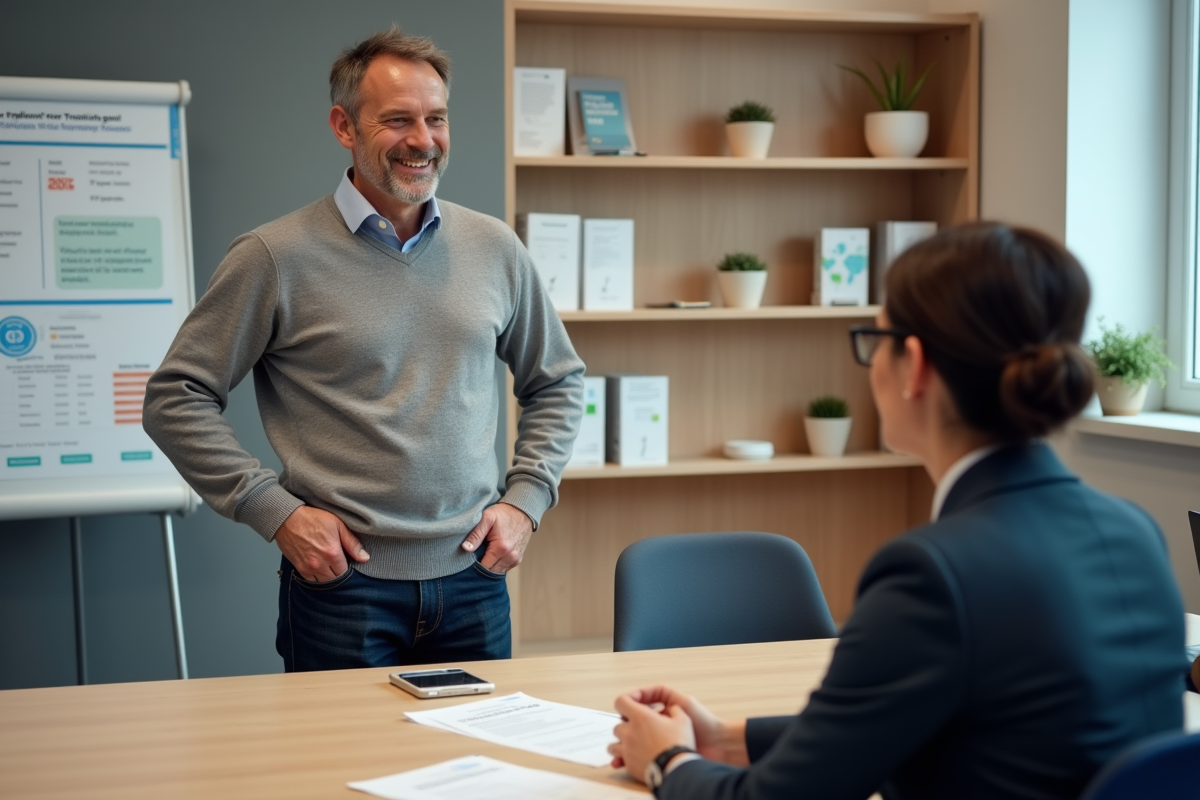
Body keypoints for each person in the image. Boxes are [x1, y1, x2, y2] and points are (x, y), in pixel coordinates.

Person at [609, 222, 1187, 800]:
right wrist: (729, 739)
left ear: (913, 364)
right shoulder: (1134, 531)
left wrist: (666, 760)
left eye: (874, 338)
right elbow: (941, 722)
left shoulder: (935, 572)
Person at [143, 27, 584, 671]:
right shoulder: (274, 256)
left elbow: (558, 382)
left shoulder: (495, 249)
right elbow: (174, 398)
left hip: (474, 583)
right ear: (344, 126)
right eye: (397, 119)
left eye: (436, 118)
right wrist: (278, 514)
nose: (423, 140)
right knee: (336, 772)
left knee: (478, 770)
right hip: (342, 589)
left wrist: (525, 502)